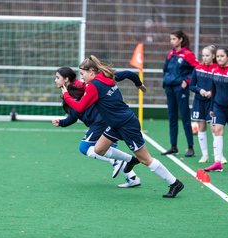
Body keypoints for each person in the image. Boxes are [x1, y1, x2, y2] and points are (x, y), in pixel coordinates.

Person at [61, 55, 184, 198]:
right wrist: (139, 84)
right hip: (115, 124)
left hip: (127, 124)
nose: (81, 78)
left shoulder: (94, 85)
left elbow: (80, 107)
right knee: (99, 149)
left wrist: (66, 95)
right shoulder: (107, 76)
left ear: (92, 72)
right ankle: (131, 160)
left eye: (82, 74)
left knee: (146, 159)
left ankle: (174, 183)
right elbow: (128, 74)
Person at [52, 67, 145, 187]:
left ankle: (122, 161)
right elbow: (74, 116)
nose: (55, 80)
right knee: (107, 151)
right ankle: (132, 178)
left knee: (85, 147)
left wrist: (139, 84)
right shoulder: (69, 92)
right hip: (104, 121)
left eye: (57, 77)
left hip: (101, 121)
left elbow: (80, 106)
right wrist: (61, 123)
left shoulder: (80, 87)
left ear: (66, 79)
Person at [162, 30, 199, 157]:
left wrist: (187, 81)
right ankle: (173, 147)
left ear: (180, 40)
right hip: (169, 88)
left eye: (173, 39)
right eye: (171, 39)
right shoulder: (171, 53)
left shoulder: (188, 54)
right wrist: (165, 82)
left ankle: (190, 147)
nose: (171, 41)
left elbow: (197, 68)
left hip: (180, 89)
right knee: (172, 117)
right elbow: (166, 70)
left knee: (184, 117)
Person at [189, 45, 227, 164]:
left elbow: (220, 86)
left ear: (213, 56)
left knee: (214, 128)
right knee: (201, 127)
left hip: (212, 103)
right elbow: (191, 85)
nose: (204, 58)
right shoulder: (197, 68)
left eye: (207, 55)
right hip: (199, 102)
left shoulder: (217, 69)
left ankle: (220, 155)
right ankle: (204, 155)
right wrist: (200, 90)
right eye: (203, 55)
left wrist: (212, 93)